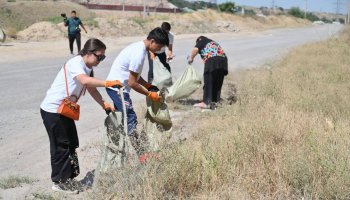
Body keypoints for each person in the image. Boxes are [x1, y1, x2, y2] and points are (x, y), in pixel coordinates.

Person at [40, 38, 123, 194]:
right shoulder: (75, 63)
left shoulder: (88, 67)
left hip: (65, 110)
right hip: (53, 110)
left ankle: (69, 179)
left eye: (103, 57)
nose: (101, 60)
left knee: (71, 143)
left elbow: (90, 88)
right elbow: (84, 80)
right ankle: (59, 183)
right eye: (100, 57)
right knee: (61, 146)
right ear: (89, 53)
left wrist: (104, 104)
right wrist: (108, 83)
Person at [106, 27, 169, 158]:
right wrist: (148, 94)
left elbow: (135, 75)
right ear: (152, 41)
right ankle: (141, 154)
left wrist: (147, 85)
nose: (159, 50)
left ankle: (123, 150)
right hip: (117, 88)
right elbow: (132, 83)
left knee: (123, 118)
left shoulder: (140, 48)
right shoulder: (139, 54)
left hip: (118, 87)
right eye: (160, 46)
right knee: (130, 118)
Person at [188, 36, 228, 109]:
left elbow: (195, 49)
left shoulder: (202, 40)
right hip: (223, 61)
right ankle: (215, 101)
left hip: (212, 60)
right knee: (217, 82)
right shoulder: (213, 42)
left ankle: (206, 102)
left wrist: (191, 58)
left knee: (208, 80)